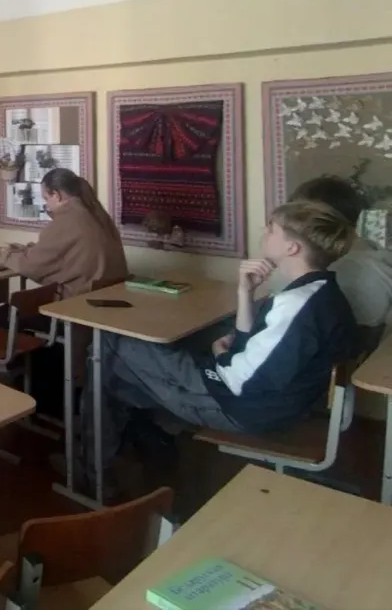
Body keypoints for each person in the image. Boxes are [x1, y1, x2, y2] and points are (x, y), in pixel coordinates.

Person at [75, 200, 357, 495]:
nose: (264, 231)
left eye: (272, 229)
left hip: (243, 408)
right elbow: (254, 348)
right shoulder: (319, 291)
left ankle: (96, 470)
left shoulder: (296, 305)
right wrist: (245, 292)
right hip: (274, 401)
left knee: (108, 343)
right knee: (116, 373)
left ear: (292, 247)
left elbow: (240, 381)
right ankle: (142, 441)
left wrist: (219, 353)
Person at [0, 167, 129, 333]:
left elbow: (31, 267)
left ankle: (38, 350)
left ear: (56, 195)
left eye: (46, 198)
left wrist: (7, 255)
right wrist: (27, 249)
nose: (46, 204)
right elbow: (64, 254)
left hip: (76, 308)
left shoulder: (67, 220)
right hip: (104, 303)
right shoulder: (97, 215)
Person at [290, 175, 392, 354]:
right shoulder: (371, 252)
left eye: (298, 218)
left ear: (321, 221)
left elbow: (353, 349)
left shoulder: (350, 271)